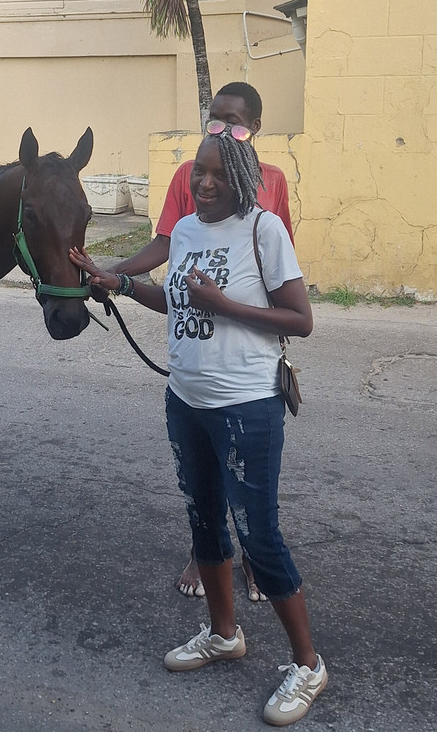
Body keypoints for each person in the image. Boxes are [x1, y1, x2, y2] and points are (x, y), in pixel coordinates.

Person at [70, 126, 325, 726]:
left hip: (247, 406)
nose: (202, 183)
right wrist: (121, 283)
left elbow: (300, 318)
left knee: (259, 537)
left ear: (239, 176)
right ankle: (223, 633)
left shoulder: (265, 231)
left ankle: (308, 663)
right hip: (186, 399)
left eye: (214, 173)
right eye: (195, 174)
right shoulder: (184, 232)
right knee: (204, 520)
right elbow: (176, 301)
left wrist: (225, 305)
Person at [113, 81, 292, 603]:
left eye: (234, 122)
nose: (221, 131)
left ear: (254, 128)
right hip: (192, 365)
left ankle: (258, 560)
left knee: (252, 483)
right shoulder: (187, 181)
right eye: (213, 120)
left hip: (249, 350)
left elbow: (283, 279)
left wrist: (241, 311)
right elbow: (169, 243)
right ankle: (207, 554)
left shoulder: (273, 185)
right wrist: (114, 273)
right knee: (202, 482)